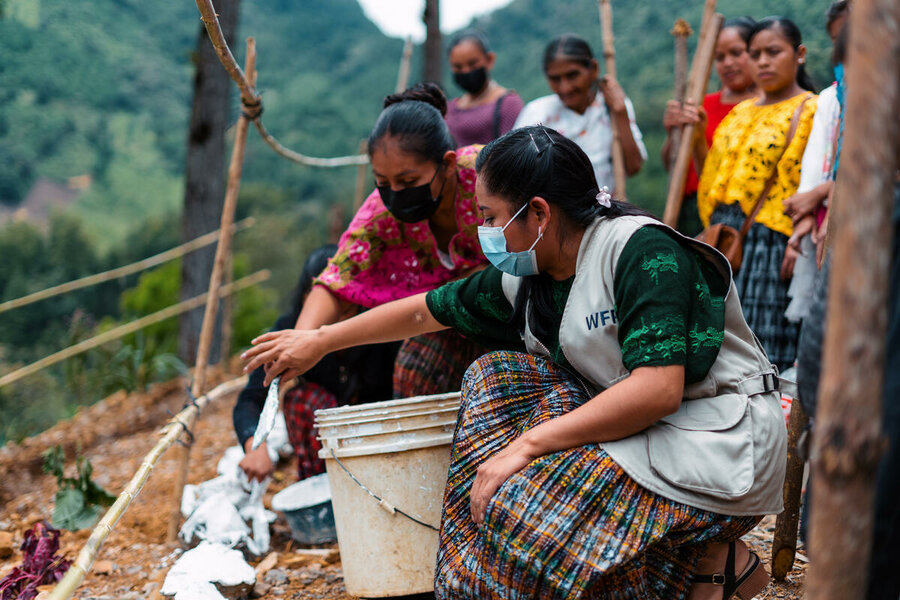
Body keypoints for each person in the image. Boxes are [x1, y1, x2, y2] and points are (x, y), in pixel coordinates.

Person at [242, 126, 786, 599]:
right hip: (641, 435)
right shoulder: (528, 276)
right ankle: (486, 581)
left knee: (522, 509)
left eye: (490, 217)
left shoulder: (642, 253)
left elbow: (657, 390)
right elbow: (425, 312)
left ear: (540, 214)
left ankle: (694, 562)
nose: (484, 232)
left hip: (714, 440)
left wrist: (525, 447)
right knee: (495, 380)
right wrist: (321, 340)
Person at [298, 83, 488, 400]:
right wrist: (301, 340)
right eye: (383, 182)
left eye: (409, 181)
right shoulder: (379, 212)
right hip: (446, 320)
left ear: (449, 164)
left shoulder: (489, 177)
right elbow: (338, 276)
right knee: (417, 368)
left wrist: (322, 340)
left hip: (519, 312)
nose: (395, 193)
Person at [697, 17, 818, 372]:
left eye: (773, 52)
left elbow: (814, 181)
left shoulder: (811, 108)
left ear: (799, 54)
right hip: (725, 240)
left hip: (774, 240)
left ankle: (774, 424)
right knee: (721, 343)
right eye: (755, 54)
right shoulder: (739, 112)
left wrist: (800, 239)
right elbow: (711, 178)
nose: (762, 61)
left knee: (766, 344)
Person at [233, 245, 400, 482]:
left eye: (344, 308)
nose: (333, 319)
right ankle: (322, 488)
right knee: (300, 400)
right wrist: (255, 445)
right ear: (305, 301)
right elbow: (251, 399)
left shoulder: (383, 322)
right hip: (327, 444)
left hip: (383, 431)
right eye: (324, 305)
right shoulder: (289, 332)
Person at [513, 34, 647, 194]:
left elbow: (633, 167)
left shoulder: (613, 107)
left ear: (594, 69)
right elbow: (516, 173)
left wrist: (620, 114)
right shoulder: (537, 113)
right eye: (555, 79)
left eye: (572, 75)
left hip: (605, 213)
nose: (565, 88)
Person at [662, 17, 759, 236]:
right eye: (719, 57)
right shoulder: (699, 105)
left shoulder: (766, 110)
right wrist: (672, 134)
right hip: (689, 208)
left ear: (755, 52)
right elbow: (674, 165)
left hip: (736, 213)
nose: (727, 63)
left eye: (736, 53)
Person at [783, 1, 849, 323]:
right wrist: (808, 212)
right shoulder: (831, 98)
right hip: (825, 219)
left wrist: (824, 192)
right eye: (840, 41)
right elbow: (819, 156)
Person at [445, 29, 524, 146]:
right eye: (458, 67)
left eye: (472, 64)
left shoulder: (508, 104)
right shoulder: (450, 107)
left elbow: (513, 153)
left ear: (490, 60)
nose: (466, 71)